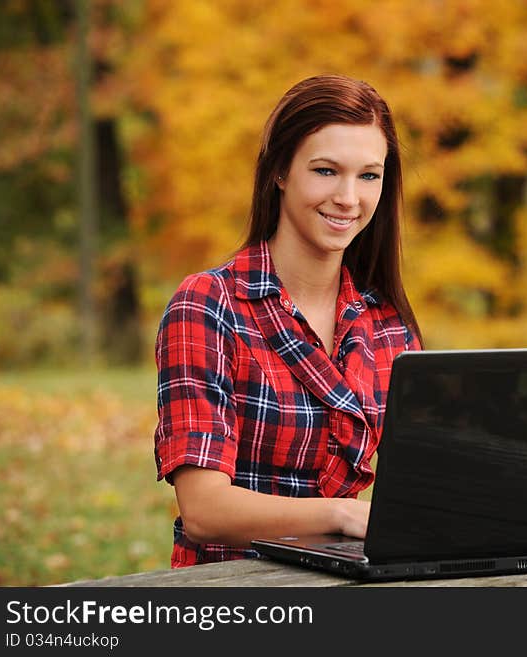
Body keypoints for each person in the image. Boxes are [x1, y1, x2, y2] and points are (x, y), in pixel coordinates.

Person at [153, 74, 423, 567]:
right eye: (325, 171)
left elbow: (427, 490)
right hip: (230, 590)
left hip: (351, 578)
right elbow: (204, 509)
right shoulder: (210, 304)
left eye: (369, 176)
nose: (349, 197)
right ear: (280, 171)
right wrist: (340, 514)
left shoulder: (388, 324)